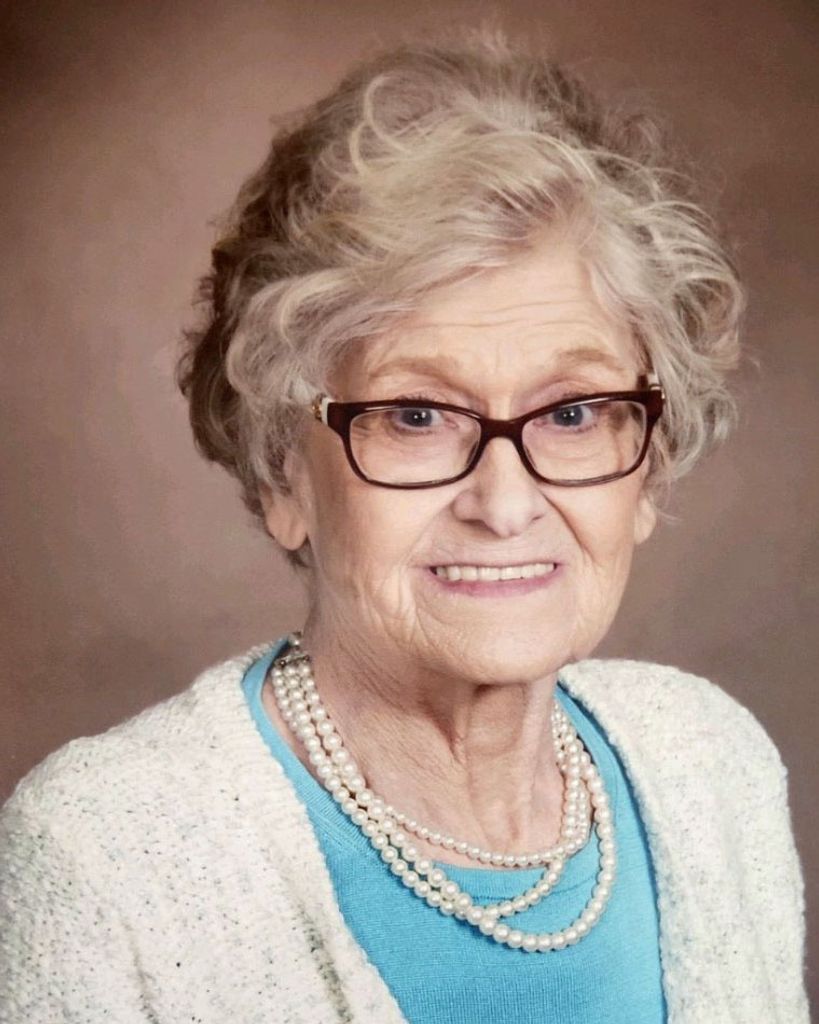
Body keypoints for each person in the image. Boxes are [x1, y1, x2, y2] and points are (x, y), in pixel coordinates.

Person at [0, 34, 809, 1024]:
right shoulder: (107, 857)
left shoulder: (710, 762)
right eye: (417, 415)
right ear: (283, 470)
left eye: (571, 412)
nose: (505, 503)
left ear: (648, 465)